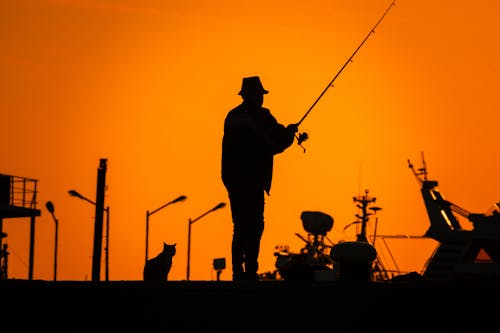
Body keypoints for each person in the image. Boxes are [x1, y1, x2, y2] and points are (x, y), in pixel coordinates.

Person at [221, 76, 298, 281]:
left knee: (239, 225)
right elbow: (275, 142)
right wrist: (290, 132)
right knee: (255, 225)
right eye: (260, 95)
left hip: (233, 180)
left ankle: (238, 271)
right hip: (252, 180)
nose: (261, 99)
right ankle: (250, 271)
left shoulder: (232, 117)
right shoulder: (259, 116)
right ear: (255, 96)